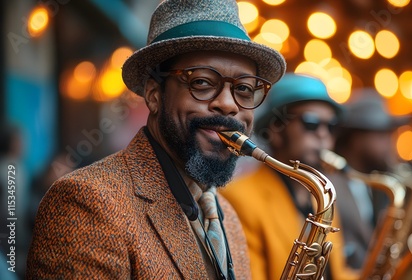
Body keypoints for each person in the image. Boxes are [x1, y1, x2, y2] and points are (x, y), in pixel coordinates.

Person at [26, 0, 285, 278]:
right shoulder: (87, 202)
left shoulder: (229, 219)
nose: (227, 104)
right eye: (201, 82)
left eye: (244, 89)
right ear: (153, 94)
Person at [221, 73, 359, 280]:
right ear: (276, 129)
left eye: (331, 126)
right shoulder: (238, 198)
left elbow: (336, 272)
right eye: (311, 123)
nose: (323, 134)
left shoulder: (323, 198)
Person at [332, 88, 411, 270]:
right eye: (383, 135)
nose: (390, 145)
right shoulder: (329, 187)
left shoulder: (377, 184)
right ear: (357, 138)